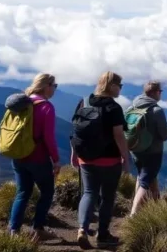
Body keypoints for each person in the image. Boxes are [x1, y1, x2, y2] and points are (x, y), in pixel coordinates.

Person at [70, 71, 131, 248]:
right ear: (111, 86)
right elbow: (119, 136)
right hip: (109, 160)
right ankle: (103, 235)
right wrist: (125, 158)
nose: (120, 89)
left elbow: (76, 131)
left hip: (85, 158)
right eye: (120, 85)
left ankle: (82, 229)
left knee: (89, 193)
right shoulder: (113, 108)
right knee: (108, 196)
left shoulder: (84, 102)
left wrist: (74, 154)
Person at [5, 73, 61, 243]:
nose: (55, 89)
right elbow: (48, 138)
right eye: (54, 85)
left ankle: (13, 231)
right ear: (46, 86)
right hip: (38, 157)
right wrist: (56, 160)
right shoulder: (46, 107)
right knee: (47, 191)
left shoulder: (21, 104)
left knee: (23, 192)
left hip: (18, 155)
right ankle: (38, 229)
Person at [126, 80, 167, 216]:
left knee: (143, 176)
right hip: (153, 152)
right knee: (145, 181)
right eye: (159, 91)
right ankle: (134, 213)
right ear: (154, 93)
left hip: (135, 149)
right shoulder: (157, 110)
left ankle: (155, 205)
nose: (160, 94)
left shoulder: (131, 108)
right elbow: (165, 135)